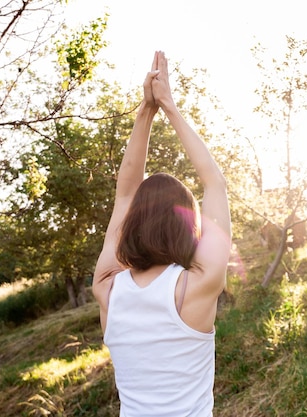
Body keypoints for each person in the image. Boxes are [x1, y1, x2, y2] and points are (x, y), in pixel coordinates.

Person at [92, 50, 231, 417]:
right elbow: (215, 183)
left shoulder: (107, 287)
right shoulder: (197, 285)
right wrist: (168, 105)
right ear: (188, 227)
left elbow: (125, 193)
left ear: (132, 223)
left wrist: (146, 111)